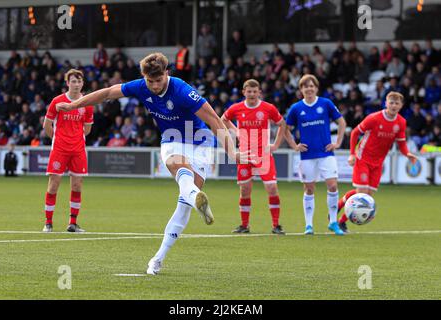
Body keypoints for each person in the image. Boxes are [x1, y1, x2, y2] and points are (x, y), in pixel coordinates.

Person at [56, 52, 243, 275]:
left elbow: (213, 119)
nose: (154, 86)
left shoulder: (182, 90)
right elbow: (107, 93)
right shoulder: (140, 86)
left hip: (200, 141)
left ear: (167, 73)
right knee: (176, 165)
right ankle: (195, 200)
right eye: (150, 81)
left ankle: (158, 257)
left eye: (158, 80)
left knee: (183, 207)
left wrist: (232, 151)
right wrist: (74, 104)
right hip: (172, 139)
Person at [337, 92, 418, 233]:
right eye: (391, 102)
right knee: (361, 193)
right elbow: (355, 132)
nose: (393, 105)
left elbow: (402, 143)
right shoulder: (374, 118)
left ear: (401, 106)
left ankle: (341, 220)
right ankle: (337, 210)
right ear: (385, 103)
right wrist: (352, 154)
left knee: (367, 197)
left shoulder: (401, 122)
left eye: (396, 103)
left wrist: (407, 154)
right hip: (363, 158)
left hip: (378, 162)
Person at [222, 79, 287, 234]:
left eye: (254, 91)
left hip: (263, 154)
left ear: (259, 92)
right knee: (245, 190)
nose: (251, 94)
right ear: (244, 92)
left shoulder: (268, 108)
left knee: (271, 188)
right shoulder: (236, 108)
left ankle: (276, 225)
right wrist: (235, 130)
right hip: (244, 155)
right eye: (248, 91)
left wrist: (276, 145)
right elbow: (223, 119)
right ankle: (244, 225)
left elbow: (282, 124)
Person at [285, 74, 347, 236]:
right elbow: (285, 129)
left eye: (312, 86)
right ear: (301, 90)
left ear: (316, 88)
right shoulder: (296, 108)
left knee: (333, 185)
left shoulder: (325, 103)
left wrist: (338, 142)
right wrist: (294, 145)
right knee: (309, 188)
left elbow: (341, 122)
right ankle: (309, 225)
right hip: (307, 155)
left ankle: (333, 222)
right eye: (306, 86)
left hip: (326, 153)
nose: (309, 89)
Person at [42, 69, 94, 233]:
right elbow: (47, 125)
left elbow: (87, 129)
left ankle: (72, 223)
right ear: (67, 83)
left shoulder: (87, 103)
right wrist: (58, 140)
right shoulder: (57, 101)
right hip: (59, 149)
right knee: (53, 185)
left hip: (78, 149)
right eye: (73, 81)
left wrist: (75, 138)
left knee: (77, 185)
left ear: (82, 83)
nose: (76, 84)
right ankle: (48, 223)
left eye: (79, 81)